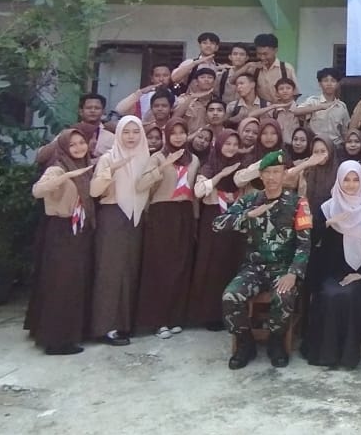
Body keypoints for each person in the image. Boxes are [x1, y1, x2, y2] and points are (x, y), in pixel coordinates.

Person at [214, 152, 312, 369]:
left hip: (283, 268)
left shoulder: (298, 203)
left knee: (284, 296)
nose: (272, 177)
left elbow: (304, 244)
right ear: (260, 175)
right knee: (230, 296)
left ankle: (276, 342)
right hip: (253, 268)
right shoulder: (250, 200)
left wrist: (293, 273)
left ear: (284, 175)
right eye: (267, 172)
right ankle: (245, 343)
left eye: (276, 172)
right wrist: (247, 215)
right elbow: (218, 224)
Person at [306, 161, 361, 370]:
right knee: (330, 295)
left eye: (355, 179)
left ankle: (348, 355)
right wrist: (329, 223)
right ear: (339, 181)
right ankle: (328, 355)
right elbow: (312, 241)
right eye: (346, 180)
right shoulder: (328, 207)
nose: (350, 184)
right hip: (331, 272)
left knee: (350, 296)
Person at [25, 128, 96, 355]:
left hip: (80, 230)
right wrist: (64, 177)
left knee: (74, 284)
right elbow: (38, 191)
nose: (78, 148)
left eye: (81, 142)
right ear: (64, 147)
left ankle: (69, 334)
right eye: (72, 144)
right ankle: (56, 340)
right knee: (61, 284)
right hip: (62, 230)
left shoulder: (86, 167)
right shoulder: (57, 167)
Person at [88, 116, 151, 346]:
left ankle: (124, 324)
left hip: (136, 218)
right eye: (126, 132)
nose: (131, 137)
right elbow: (94, 191)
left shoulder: (145, 157)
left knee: (129, 271)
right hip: (113, 216)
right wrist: (110, 170)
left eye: (135, 132)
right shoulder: (109, 157)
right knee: (110, 272)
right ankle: (105, 327)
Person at [134, 120, 199, 339]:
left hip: (185, 213)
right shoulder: (158, 157)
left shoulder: (194, 159)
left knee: (181, 266)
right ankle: (158, 320)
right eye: (174, 133)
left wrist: (195, 219)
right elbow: (141, 185)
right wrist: (164, 166)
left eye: (182, 132)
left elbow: (193, 192)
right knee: (161, 267)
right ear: (167, 135)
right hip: (162, 214)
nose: (178, 137)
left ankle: (175, 317)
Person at [186, 129, 246, 330]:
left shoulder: (240, 164)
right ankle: (209, 314)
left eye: (235, 144)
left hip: (235, 219)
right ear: (219, 144)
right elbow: (198, 191)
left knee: (230, 263)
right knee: (211, 265)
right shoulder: (209, 165)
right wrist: (221, 175)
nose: (231, 148)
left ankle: (228, 313)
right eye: (227, 143)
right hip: (213, 218)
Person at [35, 92, 114, 165]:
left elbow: (115, 160)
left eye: (97, 108)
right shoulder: (67, 134)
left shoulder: (111, 138)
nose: (92, 111)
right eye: (88, 108)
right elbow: (41, 156)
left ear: (103, 112)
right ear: (81, 111)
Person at [295, 67, 350, 150]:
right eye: (325, 80)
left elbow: (344, 131)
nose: (329, 84)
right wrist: (320, 107)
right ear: (319, 84)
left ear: (338, 84)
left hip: (336, 146)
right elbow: (296, 111)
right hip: (316, 145)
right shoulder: (313, 101)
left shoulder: (342, 106)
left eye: (333, 81)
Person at [249, 32, 299, 106]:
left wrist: (285, 107)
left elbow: (295, 93)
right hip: (263, 110)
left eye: (265, 54)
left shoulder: (286, 69)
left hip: (282, 109)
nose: (262, 57)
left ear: (275, 50)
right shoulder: (254, 69)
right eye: (259, 54)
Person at [171, 66, 218, 133]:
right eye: (202, 77)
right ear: (196, 82)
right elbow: (173, 119)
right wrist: (191, 98)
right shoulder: (184, 99)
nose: (206, 80)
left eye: (210, 77)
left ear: (214, 82)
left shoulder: (217, 102)